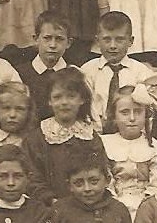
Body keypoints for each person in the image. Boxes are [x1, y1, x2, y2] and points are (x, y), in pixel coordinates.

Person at [23, 67, 109, 206]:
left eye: (71, 96)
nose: (64, 102)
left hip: (88, 205)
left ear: (81, 99)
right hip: (49, 207)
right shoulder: (37, 138)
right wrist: (51, 200)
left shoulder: (90, 136)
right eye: (57, 97)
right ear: (49, 101)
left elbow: (101, 171)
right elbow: (32, 177)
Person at [80, 10, 157, 133]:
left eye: (119, 39)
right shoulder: (87, 71)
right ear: (97, 41)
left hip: (131, 135)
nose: (113, 46)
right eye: (107, 39)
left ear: (130, 41)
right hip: (94, 134)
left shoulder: (142, 73)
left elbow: (149, 112)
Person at [101, 84, 157, 218]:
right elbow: (105, 179)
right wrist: (114, 203)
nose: (132, 118)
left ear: (146, 115)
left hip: (147, 205)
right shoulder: (105, 144)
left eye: (137, 112)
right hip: (113, 204)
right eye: (124, 112)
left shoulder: (153, 146)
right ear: (114, 116)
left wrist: (146, 203)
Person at [0, 81, 35, 201]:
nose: (12, 115)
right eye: (6, 108)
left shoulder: (34, 142)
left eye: (20, 109)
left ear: (28, 112)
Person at [12, 10, 75, 115]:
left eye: (59, 39)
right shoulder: (19, 74)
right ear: (36, 39)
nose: (53, 45)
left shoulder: (74, 74)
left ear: (68, 43)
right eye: (47, 38)